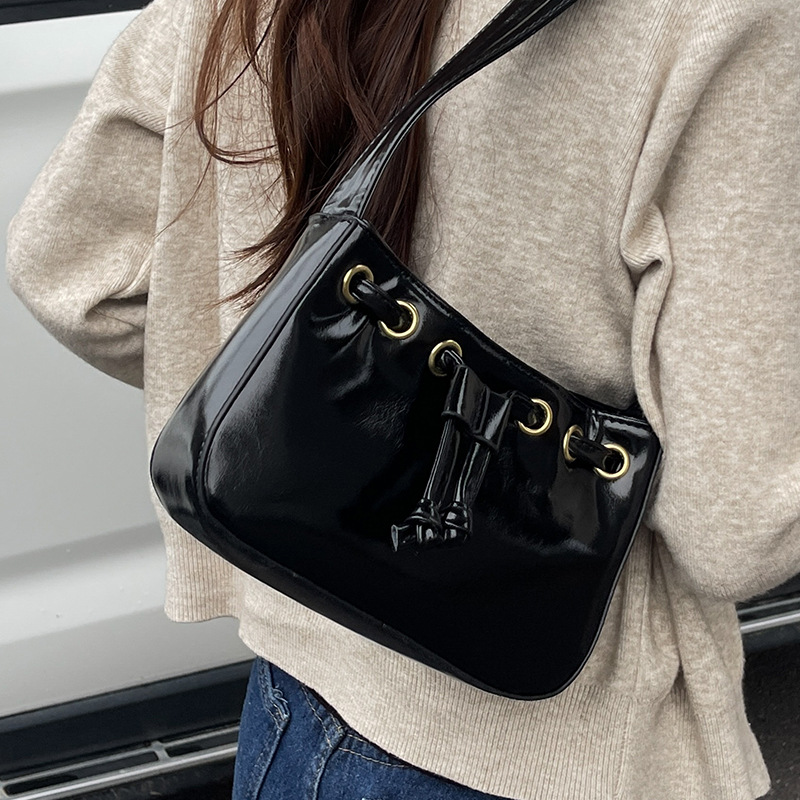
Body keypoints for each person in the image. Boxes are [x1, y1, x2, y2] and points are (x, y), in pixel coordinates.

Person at [6, 0, 800, 796]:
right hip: (554, 751)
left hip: (297, 713)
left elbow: (72, 271)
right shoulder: (725, 19)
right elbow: (737, 530)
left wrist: (313, 421)